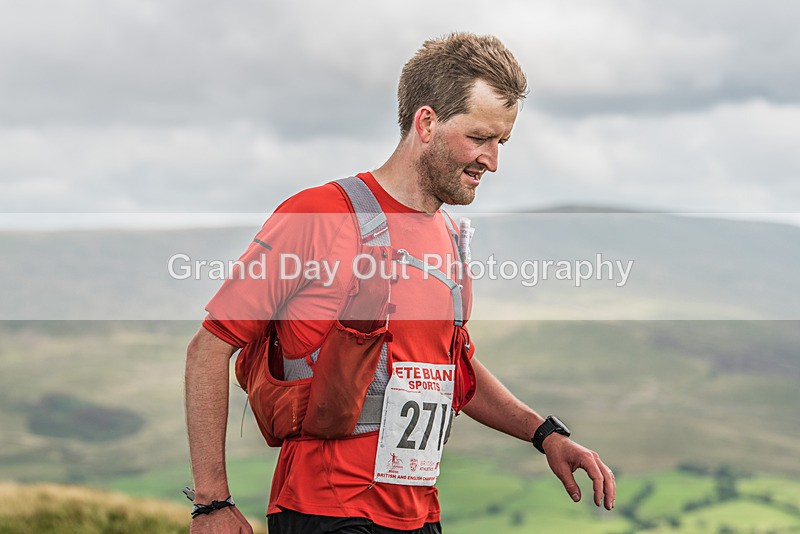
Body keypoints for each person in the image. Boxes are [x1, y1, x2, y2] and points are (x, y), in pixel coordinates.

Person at [185, 32, 616, 534]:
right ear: (427, 122)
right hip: (329, 513)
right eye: (479, 138)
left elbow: (451, 368)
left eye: (502, 142)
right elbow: (208, 349)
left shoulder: (451, 238)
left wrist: (545, 435)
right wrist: (211, 504)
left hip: (420, 516)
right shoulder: (320, 214)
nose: (492, 161)